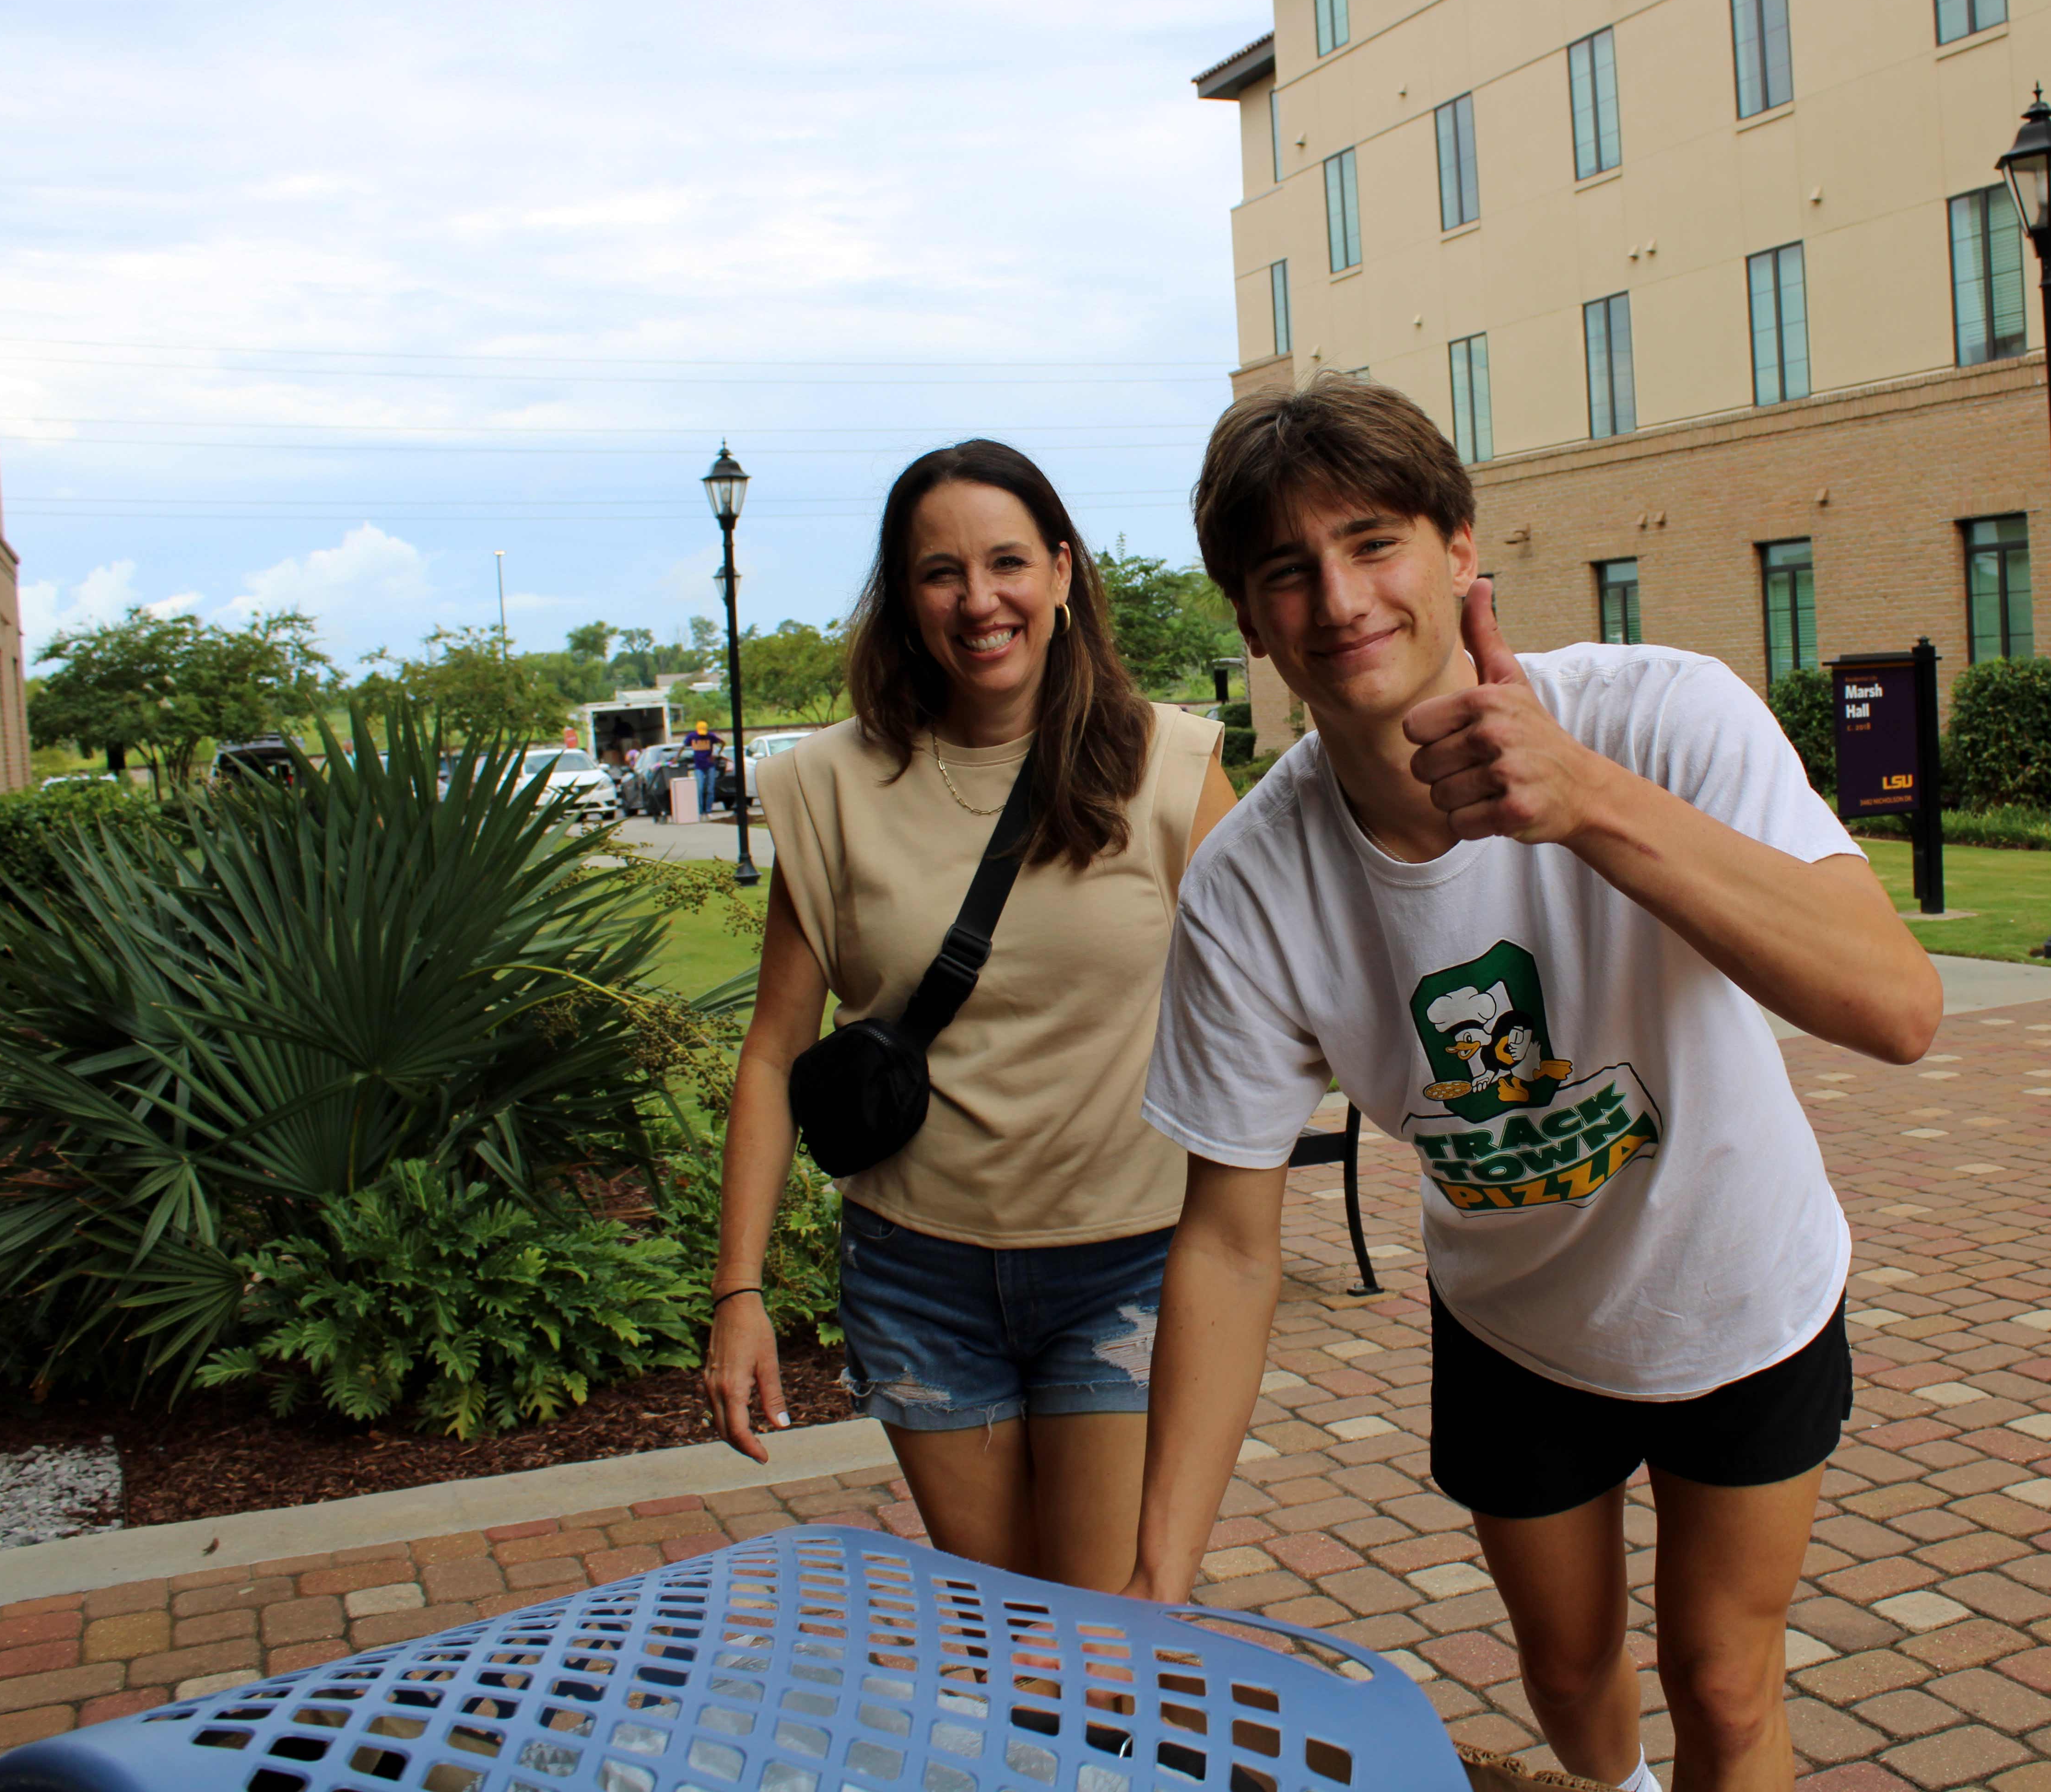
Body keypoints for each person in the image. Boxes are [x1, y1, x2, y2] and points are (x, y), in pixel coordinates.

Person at [1125, 375, 1942, 1792]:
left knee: (1721, 1681)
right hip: (1512, 1318)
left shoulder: (1661, 714)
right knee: (1567, 1670)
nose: (1337, 597)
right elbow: (1226, 1240)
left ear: (1456, 552)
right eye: (1286, 571)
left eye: (1372, 541)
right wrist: (1152, 1579)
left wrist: (1588, 801)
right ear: (1251, 623)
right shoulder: (1254, 881)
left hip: (1737, 1278)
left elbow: (1895, 1007)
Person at [706, 439, 1237, 1590]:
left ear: (1060, 571)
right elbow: (770, 1053)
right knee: (1009, 1631)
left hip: (1126, 1262)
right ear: (903, 597)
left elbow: (1265, 1003)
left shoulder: (1168, 766)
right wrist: (738, 1292)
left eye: (1006, 562)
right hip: (916, 1271)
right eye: (940, 571)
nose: (978, 598)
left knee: (1099, 1641)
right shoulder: (828, 786)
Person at [685, 721, 720, 817]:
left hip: (710, 766)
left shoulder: (711, 736)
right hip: (699, 766)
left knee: (710, 789)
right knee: (699, 789)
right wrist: (676, 758)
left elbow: (722, 743)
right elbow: (684, 746)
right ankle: (700, 811)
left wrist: (715, 755)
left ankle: (709, 810)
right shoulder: (692, 736)